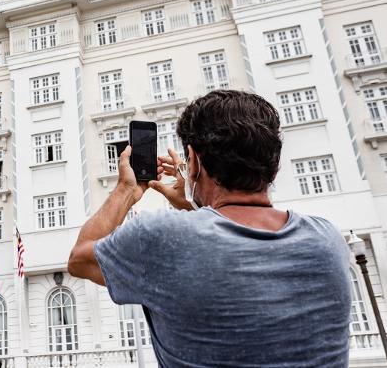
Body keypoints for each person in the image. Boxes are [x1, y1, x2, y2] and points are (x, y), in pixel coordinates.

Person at [68, 90, 352, 367]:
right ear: (274, 169)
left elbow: (80, 258)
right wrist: (195, 207)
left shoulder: (162, 238)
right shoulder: (328, 240)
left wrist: (126, 190)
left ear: (194, 163)